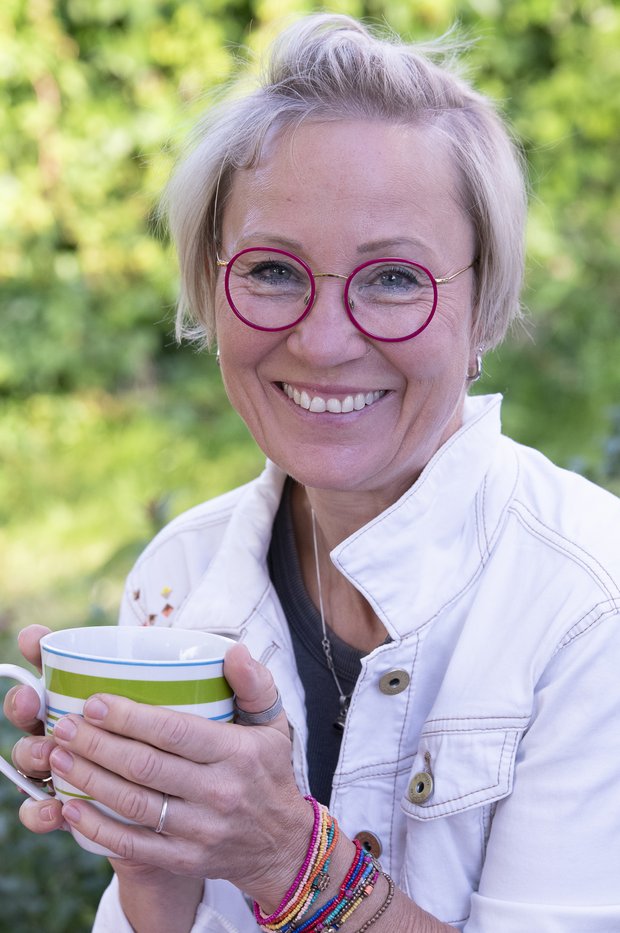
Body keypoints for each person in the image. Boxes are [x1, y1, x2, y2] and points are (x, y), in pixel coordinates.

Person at [5, 12, 620, 932]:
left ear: (483, 306)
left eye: (395, 279)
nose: (326, 341)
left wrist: (283, 856)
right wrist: (145, 844)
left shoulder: (591, 608)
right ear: (211, 289)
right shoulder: (180, 576)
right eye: (272, 270)